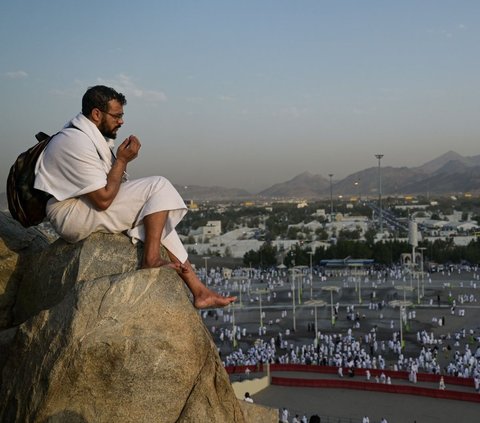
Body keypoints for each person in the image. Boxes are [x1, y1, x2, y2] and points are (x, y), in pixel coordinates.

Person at [34, 85, 236, 309]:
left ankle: (199, 291)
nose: (121, 121)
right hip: (69, 214)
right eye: (117, 116)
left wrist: (121, 162)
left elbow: (109, 189)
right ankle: (150, 260)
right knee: (158, 186)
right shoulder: (74, 142)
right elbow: (103, 199)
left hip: (81, 207)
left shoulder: (88, 137)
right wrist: (121, 160)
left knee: (155, 212)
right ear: (96, 114)